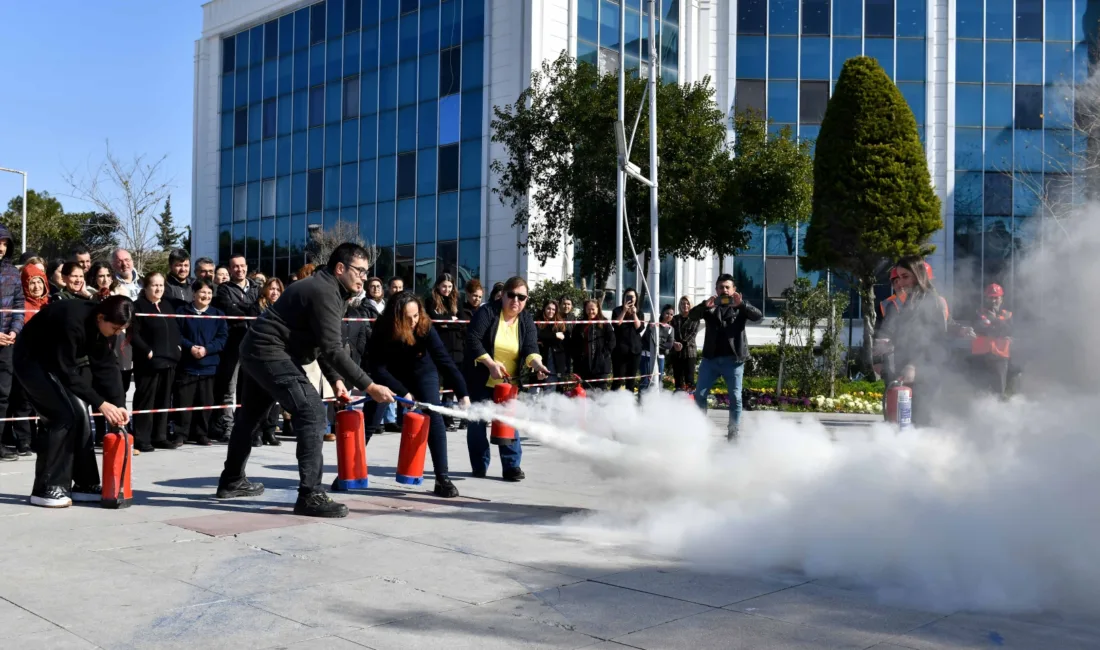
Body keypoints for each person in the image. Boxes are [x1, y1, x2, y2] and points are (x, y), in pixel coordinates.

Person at [217, 243, 396, 518]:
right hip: (269, 351)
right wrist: (369, 386)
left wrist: (336, 379)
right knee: (312, 412)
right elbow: (333, 348)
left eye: (366, 272)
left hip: (259, 349)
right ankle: (310, 495)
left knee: (250, 419)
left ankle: (231, 481)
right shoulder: (325, 291)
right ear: (340, 268)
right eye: (360, 271)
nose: (364, 277)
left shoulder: (328, 288)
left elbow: (320, 344)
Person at [14, 296, 132, 508]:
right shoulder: (72, 321)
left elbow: (106, 366)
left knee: (81, 415)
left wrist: (118, 403)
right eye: (115, 328)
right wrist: (101, 403)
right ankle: (46, 487)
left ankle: (84, 484)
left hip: (58, 363)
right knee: (61, 416)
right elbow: (66, 372)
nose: (117, 334)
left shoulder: (102, 326)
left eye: (121, 329)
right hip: (31, 361)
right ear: (101, 317)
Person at [369, 292, 470, 497]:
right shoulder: (383, 328)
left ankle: (443, 478)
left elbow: (444, 361)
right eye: (408, 318)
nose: (414, 322)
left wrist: (462, 393)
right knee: (370, 419)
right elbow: (376, 368)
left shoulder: (425, 325)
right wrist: (402, 392)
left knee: (434, 416)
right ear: (396, 317)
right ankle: (349, 473)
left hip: (422, 370)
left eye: (416, 316)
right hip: (389, 373)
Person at [464, 276, 550, 481]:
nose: (516, 301)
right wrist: (491, 364)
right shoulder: (487, 312)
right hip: (481, 376)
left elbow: (531, 348)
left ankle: (511, 466)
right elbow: (473, 339)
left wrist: (537, 364)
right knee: (477, 424)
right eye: (511, 295)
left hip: (508, 382)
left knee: (509, 422)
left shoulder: (526, 319)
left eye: (522, 297)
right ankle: (479, 465)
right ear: (503, 295)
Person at [874, 256, 948, 428]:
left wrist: (914, 365)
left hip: (926, 369)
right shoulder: (908, 301)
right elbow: (897, 331)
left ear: (918, 275)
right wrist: (885, 344)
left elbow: (934, 339)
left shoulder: (932, 301)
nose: (900, 282)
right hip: (905, 366)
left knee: (922, 420)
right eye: (898, 278)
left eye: (905, 276)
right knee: (903, 421)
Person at [690, 274, 763, 441]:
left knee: (735, 397)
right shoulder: (710, 307)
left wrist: (742, 305)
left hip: (733, 361)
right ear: (716, 289)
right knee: (700, 394)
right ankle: (700, 429)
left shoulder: (740, 307)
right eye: (721, 287)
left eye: (727, 287)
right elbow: (692, 316)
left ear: (734, 290)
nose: (724, 290)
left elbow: (758, 316)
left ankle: (733, 432)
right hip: (711, 360)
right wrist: (704, 306)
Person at [1, 264, 49, 459]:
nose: (36, 286)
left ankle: (36, 438)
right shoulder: (25, 306)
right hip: (23, 358)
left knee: (41, 402)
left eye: (39, 282)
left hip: (45, 360)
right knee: (21, 402)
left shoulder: (50, 303)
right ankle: (23, 440)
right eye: (31, 283)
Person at [131, 272, 182, 451]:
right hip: (148, 363)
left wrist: (177, 348)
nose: (158, 288)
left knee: (164, 399)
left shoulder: (167, 305)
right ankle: (141, 438)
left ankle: (159, 436)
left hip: (169, 360)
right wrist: (147, 350)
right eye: (154, 285)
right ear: (145, 287)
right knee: (146, 400)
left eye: (161, 285)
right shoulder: (138, 306)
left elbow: (175, 329)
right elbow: (133, 334)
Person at [175, 279, 228, 446]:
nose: (206, 296)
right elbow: (177, 334)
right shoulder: (182, 312)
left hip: (209, 366)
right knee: (183, 400)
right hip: (187, 364)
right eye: (203, 292)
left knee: (205, 402)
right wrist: (191, 348)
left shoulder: (218, 314)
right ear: (194, 293)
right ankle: (180, 433)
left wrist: (207, 349)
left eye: (209, 293)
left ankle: (201, 433)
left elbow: (222, 338)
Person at [211, 255, 258, 440]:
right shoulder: (224, 289)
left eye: (242, 266)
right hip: (233, 344)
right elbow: (229, 310)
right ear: (230, 270)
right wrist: (250, 310)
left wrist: (244, 309)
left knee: (249, 388)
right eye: (235, 267)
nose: (239, 269)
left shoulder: (256, 287)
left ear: (247, 267)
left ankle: (247, 427)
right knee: (229, 388)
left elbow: (259, 309)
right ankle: (228, 426)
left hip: (254, 344)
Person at [245, 278, 288, 447]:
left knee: (275, 397)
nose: (275, 292)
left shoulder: (285, 308)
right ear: (265, 290)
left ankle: (270, 430)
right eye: (271, 289)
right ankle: (257, 432)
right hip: (259, 356)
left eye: (278, 289)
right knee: (258, 397)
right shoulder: (256, 308)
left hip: (279, 355)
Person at [0, 225, 25, 462]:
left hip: (7, 344)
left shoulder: (12, 273)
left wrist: (15, 331)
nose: (1, 247)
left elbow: (19, 305)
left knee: (3, 395)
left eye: (5, 243)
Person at [427, 274, 463, 429]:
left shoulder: (456, 301)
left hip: (455, 349)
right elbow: (436, 320)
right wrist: (450, 320)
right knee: (435, 384)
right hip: (438, 347)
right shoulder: (431, 301)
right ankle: (432, 415)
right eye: (444, 286)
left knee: (450, 386)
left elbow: (460, 323)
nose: (447, 289)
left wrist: (449, 322)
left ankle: (448, 418)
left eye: (450, 286)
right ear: (437, 286)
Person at [970, 283, 1012, 398]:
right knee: (979, 391)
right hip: (981, 356)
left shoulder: (1008, 315)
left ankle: (998, 412)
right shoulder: (978, 313)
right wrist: (997, 327)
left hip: (1000, 357)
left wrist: (993, 322)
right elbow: (980, 328)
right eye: (991, 297)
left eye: (996, 298)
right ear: (986, 298)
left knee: (998, 391)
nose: (993, 301)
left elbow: (1008, 330)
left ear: (1001, 299)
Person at [570, 299, 615, 386]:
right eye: (588, 309)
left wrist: (603, 354)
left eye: (593, 309)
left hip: (601, 365)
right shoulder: (580, 324)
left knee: (600, 392)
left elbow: (612, 340)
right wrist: (576, 356)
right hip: (584, 365)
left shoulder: (604, 322)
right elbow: (574, 342)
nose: (591, 312)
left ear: (598, 309)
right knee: (587, 392)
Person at [610, 288, 646, 392]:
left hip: (634, 350)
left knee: (631, 380)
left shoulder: (639, 312)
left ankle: (629, 404)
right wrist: (624, 311)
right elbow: (616, 324)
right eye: (628, 296)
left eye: (632, 296)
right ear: (624, 298)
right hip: (619, 350)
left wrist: (634, 313)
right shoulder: (617, 310)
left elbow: (639, 328)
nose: (630, 298)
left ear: (636, 298)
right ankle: (612, 403)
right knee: (618, 379)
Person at [640, 305, 675, 391]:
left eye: (671, 314)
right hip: (647, 354)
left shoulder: (671, 328)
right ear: (662, 313)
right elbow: (648, 339)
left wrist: (657, 345)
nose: (669, 316)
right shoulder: (653, 323)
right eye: (667, 313)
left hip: (660, 356)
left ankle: (655, 400)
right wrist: (661, 344)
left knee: (658, 379)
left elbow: (670, 344)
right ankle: (642, 402)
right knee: (645, 380)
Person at [670, 296, 699, 391]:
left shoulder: (695, 318)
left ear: (690, 305)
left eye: (687, 303)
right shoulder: (674, 319)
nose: (685, 305)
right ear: (679, 305)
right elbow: (670, 333)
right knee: (678, 378)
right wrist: (674, 343)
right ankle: (678, 401)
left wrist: (681, 344)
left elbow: (692, 335)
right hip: (676, 353)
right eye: (683, 303)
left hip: (689, 353)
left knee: (689, 379)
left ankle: (689, 402)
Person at [536, 301, 569, 380]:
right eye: (548, 308)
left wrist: (545, 338)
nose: (551, 311)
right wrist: (555, 335)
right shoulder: (538, 320)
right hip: (541, 357)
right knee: (538, 385)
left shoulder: (559, 322)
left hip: (557, 358)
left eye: (553, 309)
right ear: (544, 309)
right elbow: (537, 335)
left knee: (555, 384)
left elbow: (563, 339)